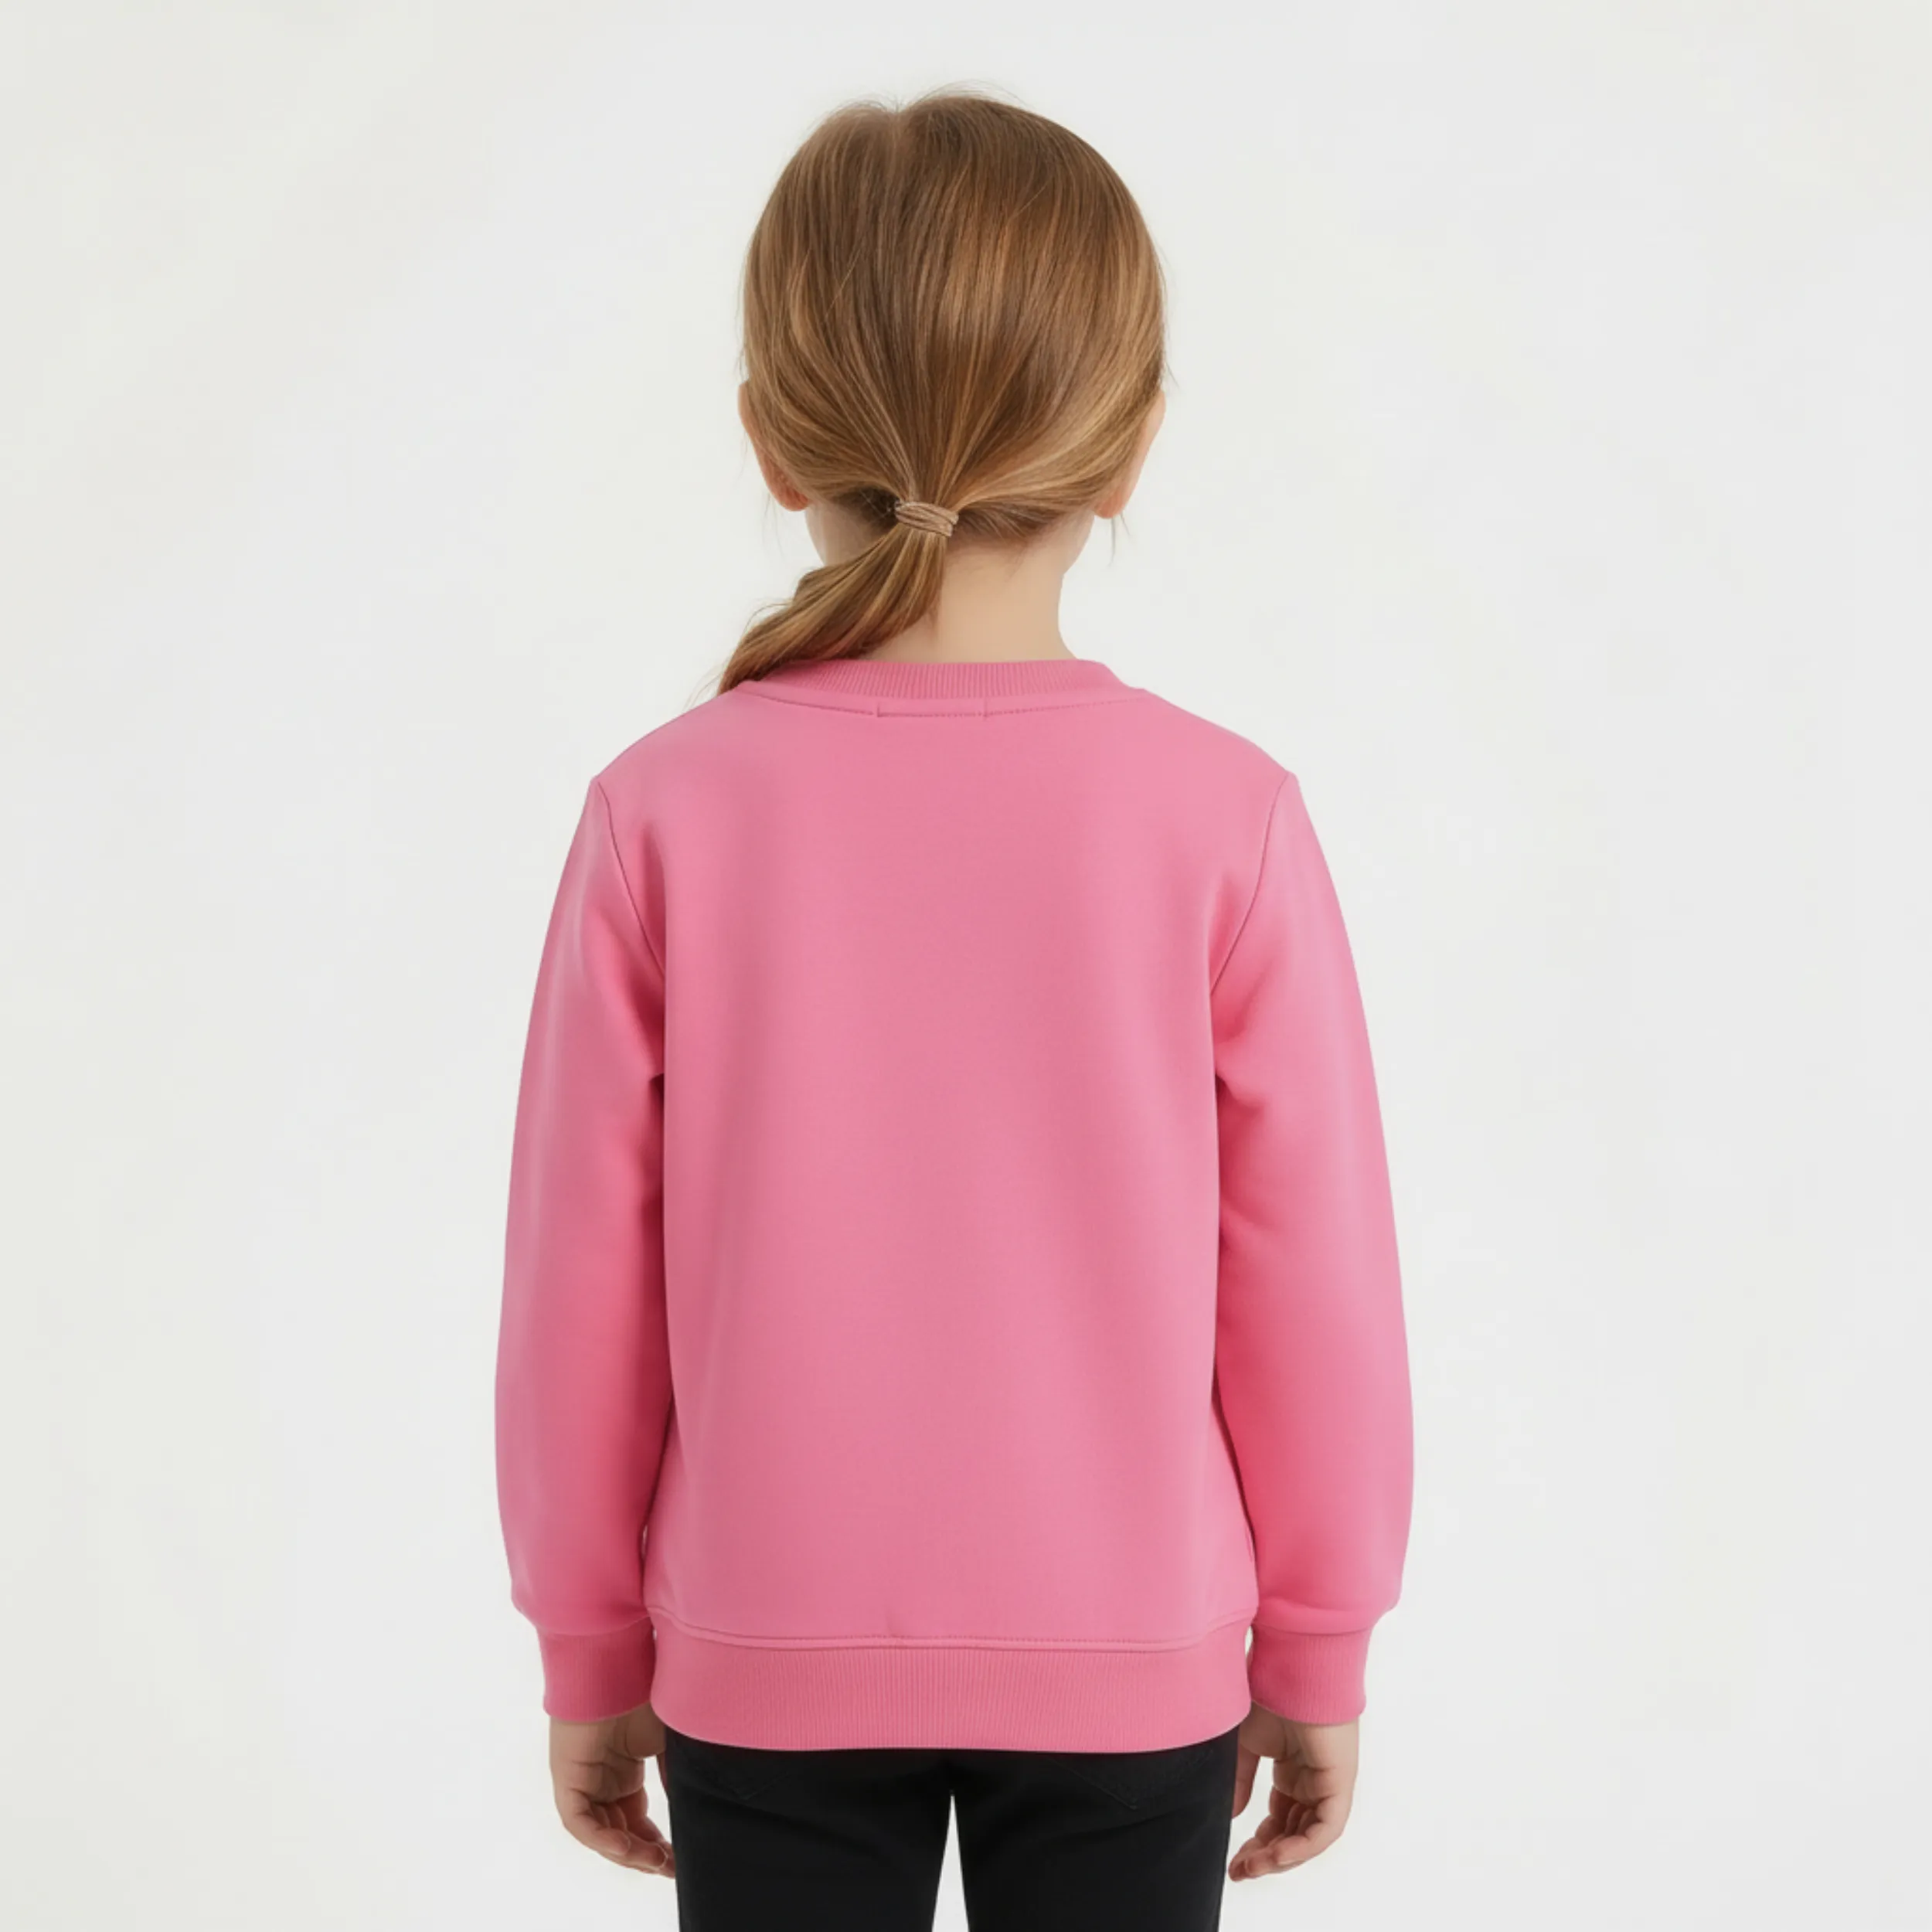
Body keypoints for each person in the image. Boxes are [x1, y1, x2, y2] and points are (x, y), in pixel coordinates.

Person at [494, 86, 1413, 1930]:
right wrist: (1316, 1641)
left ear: (771, 441)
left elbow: (579, 1283)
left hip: (760, 1647)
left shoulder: (660, 812)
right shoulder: (1222, 818)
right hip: (1132, 1654)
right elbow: (1309, 1274)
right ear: (1126, 449)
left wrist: (588, 1642)